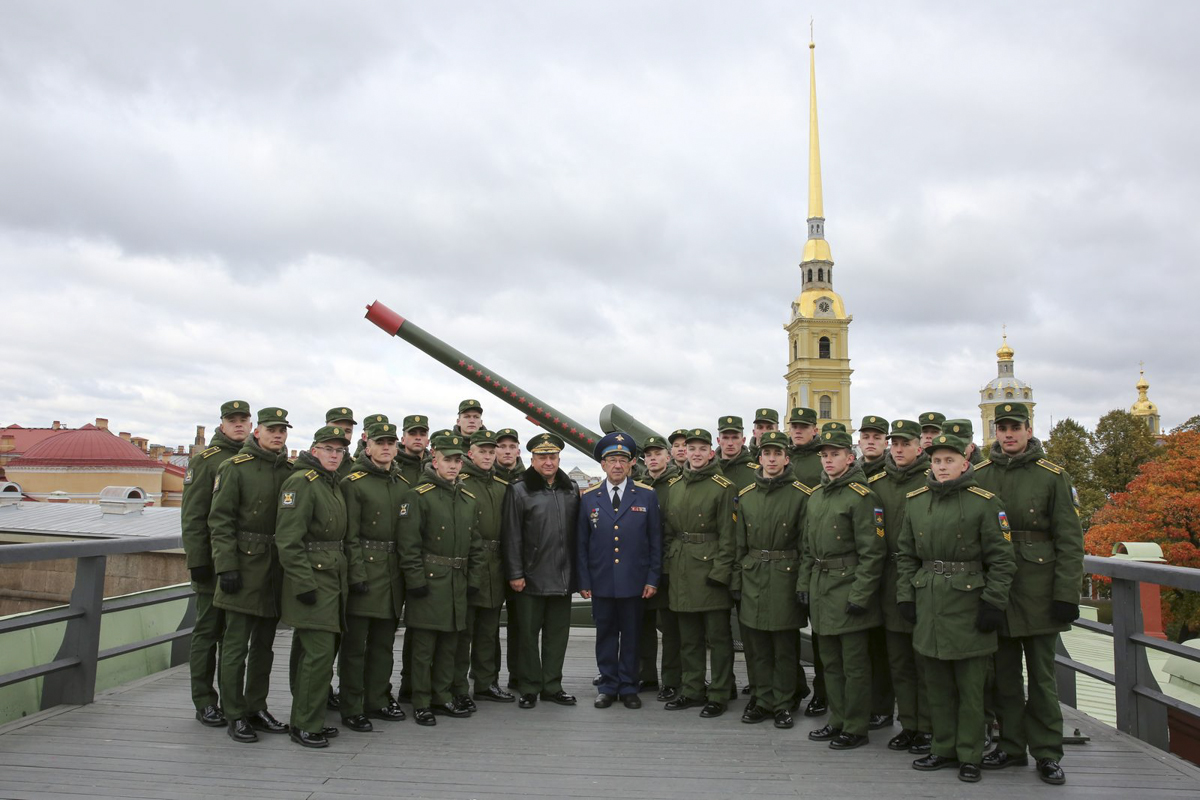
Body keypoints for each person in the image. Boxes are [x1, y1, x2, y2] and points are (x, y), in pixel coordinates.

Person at [975, 402, 1084, 786]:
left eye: (1014, 427)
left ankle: (1048, 753)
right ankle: (1011, 745)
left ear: (1027, 428)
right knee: (1003, 675)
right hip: (997, 591)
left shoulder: (1052, 476)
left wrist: (1066, 594)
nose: (1008, 434)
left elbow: (1070, 542)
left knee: (1041, 678)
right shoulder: (981, 475)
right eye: (1001, 427)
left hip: (1039, 590)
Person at [898, 433, 1017, 782]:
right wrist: (905, 595)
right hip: (930, 599)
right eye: (936, 461)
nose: (942, 467)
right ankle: (943, 747)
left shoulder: (985, 502)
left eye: (949, 460)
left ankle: (970, 754)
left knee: (970, 687)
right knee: (935, 682)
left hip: (969, 602)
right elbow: (906, 554)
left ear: (965, 463)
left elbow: (1002, 560)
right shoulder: (917, 501)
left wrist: (993, 603)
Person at [209, 406, 294, 743]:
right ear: (257, 431)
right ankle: (234, 713)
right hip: (243, 567)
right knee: (234, 645)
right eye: (271, 429)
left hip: (274, 569)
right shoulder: (234, 468)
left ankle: (256, 706)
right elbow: (220, 521)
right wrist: (226, 566)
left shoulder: (288, 470)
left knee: (264, 645)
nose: (278, 435)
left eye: (283, 430)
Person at [798, 429, 886, 751]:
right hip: (822, 589)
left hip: (849, 588)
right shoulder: (817, 496)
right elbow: (808, 548)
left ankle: (856, 727)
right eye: (824, 455)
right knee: (830, 663)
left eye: (835, 454)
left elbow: (873, 552)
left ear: (850, 457)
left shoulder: (862, 497)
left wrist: (860, 595)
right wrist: (804, 586)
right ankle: (836, 720)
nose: (828, 460)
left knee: (855, 665)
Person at [276, 425, 355, 748]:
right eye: (329, 449)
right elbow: (288, 539)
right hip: (313, 579)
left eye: (340, 451)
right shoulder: (302, 483)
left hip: (332, 578)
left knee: (309, 651)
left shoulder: (329, 482)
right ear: (315, 449)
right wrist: (303, 582)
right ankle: (306, 724)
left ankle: (306, 715)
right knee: (319, 653)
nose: (335, 455)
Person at [398, 432, 483, 726]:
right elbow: (408, 546)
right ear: (435, 459)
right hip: (430, 580)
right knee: (424, 647)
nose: (453, 465)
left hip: (457, 580)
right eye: (448, 460)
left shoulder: (467, 499)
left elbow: (476, 544)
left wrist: (473, 578)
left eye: (458, 460)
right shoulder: (417, 495)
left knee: (450, 643)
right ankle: (421, 701)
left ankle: (442, 695)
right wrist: (415, 580)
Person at [732, 430, 811, 729]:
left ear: (787, 458)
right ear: (759, 458)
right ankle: (762, 699)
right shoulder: (746, 496)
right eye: (767, 453)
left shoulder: (802, 495)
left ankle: (784, 702)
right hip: (753, 576)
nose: (772, 458)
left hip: (785, 578)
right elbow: (739, 545)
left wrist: (802, 585)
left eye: (778, 453)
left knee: (784, 646)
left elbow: (806, 547)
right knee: (756, 645)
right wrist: (737, 582)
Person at [181, 400, 252, 728]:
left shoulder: (254, 459)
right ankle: (204, 700)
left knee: (236, 637)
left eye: (243, 420)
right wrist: (197, 561)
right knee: (208, 632)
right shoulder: (207, 461)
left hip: (246, 565)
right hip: (212, 563)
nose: (238, 425)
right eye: (232, 420)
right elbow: (193, 516)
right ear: (222, 425)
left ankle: (234, 703)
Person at [578, 432, 662, 709]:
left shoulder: (647, 496)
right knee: (605, 635)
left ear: (632, 464)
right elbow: (581, 543)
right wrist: (584, 580)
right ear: (602, 464)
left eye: (622, 460)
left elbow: (655, 542)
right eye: (611, 460)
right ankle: (607, 685)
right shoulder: (589, 497)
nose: (617, 465)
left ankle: (628, 686)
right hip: (601, 580)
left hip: (634, 581)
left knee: (632, 635)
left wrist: (652, 578)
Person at [501, 432, 580, 708]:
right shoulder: (519, 489)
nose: (548, 462)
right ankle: (530, 686)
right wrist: (515, 573)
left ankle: (552, 685)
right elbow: (511, 535)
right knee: (527, 636)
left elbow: (577, 537)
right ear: (532, 459)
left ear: (559, 458)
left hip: (562, 575)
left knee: (557, 636)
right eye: (542, 457)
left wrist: (577, 574)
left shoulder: (571, 489)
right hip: (530, 577)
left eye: (553, 456)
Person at [338, 420, 408, 733]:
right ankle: (352, 705)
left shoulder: (402, 484)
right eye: (380, 442)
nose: (385, 448)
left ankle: (377, 699)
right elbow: (348, 536)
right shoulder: (353, 483)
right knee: (355, 647)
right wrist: (356, 574)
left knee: (383, 644)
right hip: (365, 569)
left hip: (392, 573)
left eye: (391, 443)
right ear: (367, 446)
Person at [869, 419, 933, 754]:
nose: (898, 449)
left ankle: (929, 727)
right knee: (898, 661)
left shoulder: (931, 480)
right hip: (887, 579)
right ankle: (909, 724)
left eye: (905, 444)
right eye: (894, 444)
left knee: (923, 660)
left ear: (919, 447)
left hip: (923, 578)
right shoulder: (878, 483)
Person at [663, 428, 737, 718]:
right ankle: (692, 688)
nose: (695, 453)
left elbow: (729, 536)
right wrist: (670, 564)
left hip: (709, 570)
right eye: (689, 448)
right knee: (688, 637)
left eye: (701, 448)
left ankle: (719, 692)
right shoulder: (676, 486)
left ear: (711, 452)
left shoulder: (723, 487)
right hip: (681, 568)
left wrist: (720, 572)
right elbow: (669, 531)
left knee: (718, 638)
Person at [459, 429, 516, 705]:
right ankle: (458, 686)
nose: (488, 456)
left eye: (491, 452)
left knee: (488, 630)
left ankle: (486, 683)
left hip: (495, 566)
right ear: (470, 453)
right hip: (469, 563)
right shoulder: (461, 482)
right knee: (463, 630)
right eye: (482, 451)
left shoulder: (501, 487)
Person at [786, 406, 827, 717]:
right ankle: (794, 685)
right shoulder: (782, 456)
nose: (798, 431)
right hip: (782, 554)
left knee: (821, 631)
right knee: (785, 627)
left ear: (815, 429)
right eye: (794, 426)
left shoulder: (822, 459)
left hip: (815, 551)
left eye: (804, 426)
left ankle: (822, 692)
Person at [858, 415, 895, 731]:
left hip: (893, 572)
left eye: (877, 437)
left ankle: (885, 707)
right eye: (865, 436)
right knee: (866, 644)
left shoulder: (890, 476)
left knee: (888, 647)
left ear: (886, 442)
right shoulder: (855, 476)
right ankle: (870, 705)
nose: (870, 441)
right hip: (859, 573)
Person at [639, 435, 682, 701]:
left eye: (658, 453)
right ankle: (646, 674)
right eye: (649, 455)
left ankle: (671, 678)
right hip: (642, 565)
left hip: (670, 565)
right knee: (642, 624)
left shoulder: (678, 485)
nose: (653, 458)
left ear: (668, 456)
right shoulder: (639, 487)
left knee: (670, 627)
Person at [491, 427, 524, 689]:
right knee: (488, 625)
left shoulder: (528, 479)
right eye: (501, 447)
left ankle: (518, 675)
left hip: (522, 562)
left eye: (512, 447)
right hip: (491, 561)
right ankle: (487, 677)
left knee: (520, 623)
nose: (507, 451)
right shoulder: (485, 477)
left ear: (519, 450)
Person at [324, 408, 358, 480]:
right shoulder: (308, 462)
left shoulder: (355, 467)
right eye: (336, 430)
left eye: (347, 431)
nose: (342, 435)